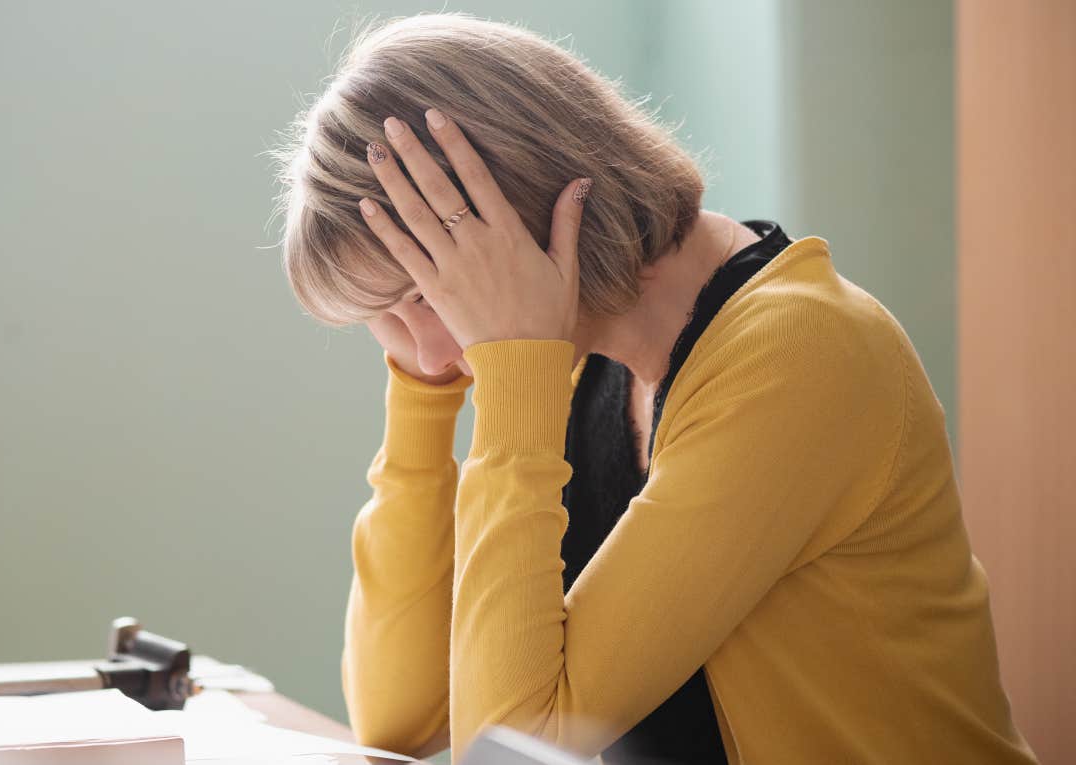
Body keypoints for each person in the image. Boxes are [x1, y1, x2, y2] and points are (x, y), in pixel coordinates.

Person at [268, 12, 1037, 765]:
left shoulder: (797, 355)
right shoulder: (577, 357)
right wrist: (421, 390)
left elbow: (507, 747)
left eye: (428, 296)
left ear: (522, 206)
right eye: (390, 319)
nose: (434, 348)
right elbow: (401, 718)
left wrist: (513, 375)